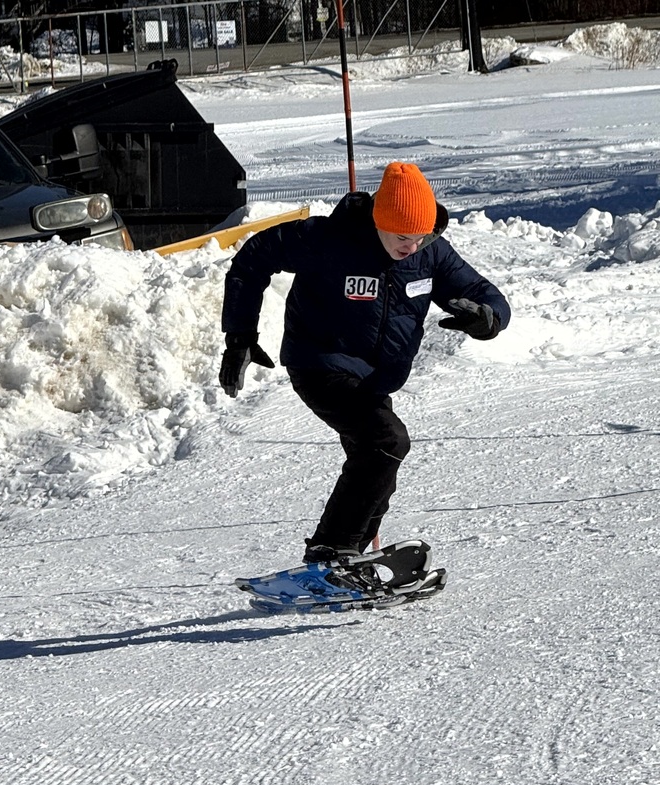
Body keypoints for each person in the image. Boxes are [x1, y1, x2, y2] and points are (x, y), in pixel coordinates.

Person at [219, 161, 511, 564]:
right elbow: (252, 258)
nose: (411, 246)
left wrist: (487, 319)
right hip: (318, 362)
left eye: (421, 236)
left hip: (373, 380)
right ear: (379, 221)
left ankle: (346, 560)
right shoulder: (328, 239)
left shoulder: (429, 254)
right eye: (402, 236)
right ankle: (329, 553)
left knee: (378, 467)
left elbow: (483, 292)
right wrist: (239, 336)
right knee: (386, 441)